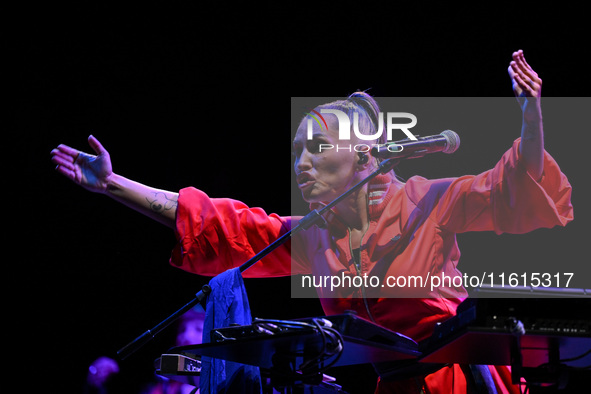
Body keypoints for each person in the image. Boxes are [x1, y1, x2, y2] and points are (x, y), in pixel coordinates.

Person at [53, 50, 573, 393]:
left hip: (462, 381)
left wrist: (531, 118)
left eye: (318, 148)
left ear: (366, 159)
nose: (302, 162)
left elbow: (510, 189)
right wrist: (114, 185)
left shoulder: (427, 200)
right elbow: (220, 226)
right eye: (298, 150)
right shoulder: (314, 234)